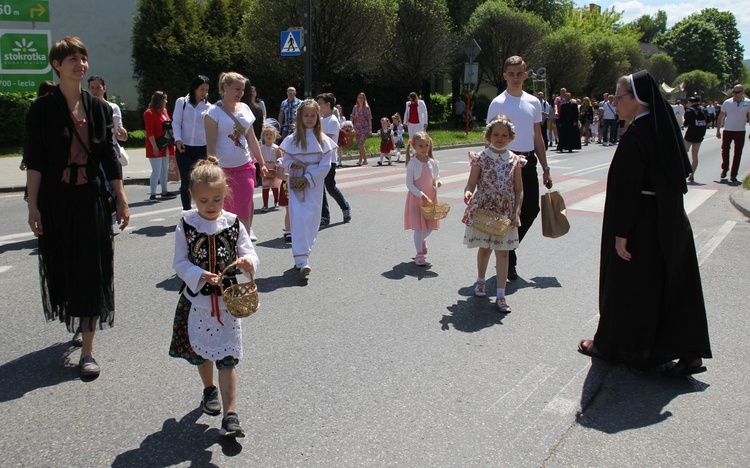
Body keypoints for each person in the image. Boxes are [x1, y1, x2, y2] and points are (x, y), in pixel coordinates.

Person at [577, 71, 712, 377]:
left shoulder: (637, 135)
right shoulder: (661, 129)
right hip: (669, 220)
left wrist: (622, 233)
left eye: (619, 97)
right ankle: (689, 354)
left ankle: (611, 345)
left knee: (626, 287)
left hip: (640, 224)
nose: (614, 103)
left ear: (636, 101)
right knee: (671, 284)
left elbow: (628, 191)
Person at [24, 36, 130, 377]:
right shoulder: (41, 109)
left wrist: (121, 198)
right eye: (72, 58)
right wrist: (33, 206)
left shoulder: (99, 108)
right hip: (56, 200)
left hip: (91, 200)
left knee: (93, 269)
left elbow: (110, 158)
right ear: (57, 65)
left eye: (83, 58)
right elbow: (36, 161)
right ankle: (79, 315)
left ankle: (88, 351)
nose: (80, 64)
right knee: (65, 267)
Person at [171, 156, 258, 438]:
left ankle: (231, 415)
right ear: (193, 197)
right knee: (202, 351)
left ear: (225, 196)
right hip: (198, 300)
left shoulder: (233, 224)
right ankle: (209, 389)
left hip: (227, 302)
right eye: (204, 200)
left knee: (228, 357)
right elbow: (179, 263)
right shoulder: (186, 224)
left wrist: (247, 263)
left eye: (217, 200)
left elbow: (249, 252)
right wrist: (199, 274)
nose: (211, 206)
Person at [486, 55, 552, 280]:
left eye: (519, 73)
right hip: (504, 162)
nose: (515, 78)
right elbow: (489, 136)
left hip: (528, 162)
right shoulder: (497, 102)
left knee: (531, 208)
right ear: (504, 75)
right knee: (507, 212)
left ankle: (508, 247)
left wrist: (546, 167)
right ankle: (508, 261)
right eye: (510, 74)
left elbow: (537, 136)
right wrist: (487, 166)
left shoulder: (533, 102)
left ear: (526, 75)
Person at [462, 116, 524, 313]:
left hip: (505, 210)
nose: (500, 138)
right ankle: (481, 281)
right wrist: (468, 191)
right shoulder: (480, 157)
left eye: (504, 135)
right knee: (485, 248)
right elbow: (472, 182)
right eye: (496, 134)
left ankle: (500, 295)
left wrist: (517, 210)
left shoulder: (515, 160)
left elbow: (518, 189)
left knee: (504, 252)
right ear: (489, 135)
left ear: (511, 137)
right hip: (484, 208)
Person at [205, 72, 267, 238]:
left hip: (245, 165)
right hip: (223, 169)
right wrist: (212, 170)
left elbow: (252, 139)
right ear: (225, 87)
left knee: (245, 206)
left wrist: (262, 163)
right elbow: (210, 145)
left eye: (242, 89)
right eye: (237, 89)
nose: (241, 93)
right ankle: (227, 242)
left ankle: (245, 242)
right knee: (225, 209)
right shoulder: (213, 112)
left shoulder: (245, 109)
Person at [280, 99, 336, 276]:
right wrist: (293, 168)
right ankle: (301, 259)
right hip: (297, 186)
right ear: (300, 117)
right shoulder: (293, 139)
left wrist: (308, 177)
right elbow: (286, 161)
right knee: (299, 219)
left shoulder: (323, 140)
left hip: (313, 186)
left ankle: (305, 253)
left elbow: (326, 165)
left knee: (312, 218)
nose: (310, 118)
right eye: (306, 115)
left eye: (313, 115)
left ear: (318, 117)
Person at [173, 75, 211, 210]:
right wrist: (178, 139)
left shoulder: (208, 107)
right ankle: (187, 211)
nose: (204, 93)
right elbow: (176, 122)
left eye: (206, 90)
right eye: (202, 89)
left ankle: (202, 209)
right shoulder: (182, 102)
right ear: (195, 88)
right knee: (186, 181)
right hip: (184, 148)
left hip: (202, 148)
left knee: (201, 181)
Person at [404, 132, 440, 267]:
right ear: (414, 146)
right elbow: (409, 184)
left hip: (431, 199)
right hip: (417, 200)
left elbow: (436, 177)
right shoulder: (413, 163)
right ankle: (419, 254)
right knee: (419, 228)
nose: (424, 148)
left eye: (426, 145)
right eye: (421, 146)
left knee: (430, 226)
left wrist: (437, 182)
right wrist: (421, 195)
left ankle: (421, 241)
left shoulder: (432, 163)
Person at [317, 93, 352, 226]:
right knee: (320, 188)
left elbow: (327, 140)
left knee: (330, 187)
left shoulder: (332, 120)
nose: (318, 106)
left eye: (320, 103)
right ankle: (325, 216)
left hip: (329, 159)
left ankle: (345, 207)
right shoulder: (319, 119)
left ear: (327, 105)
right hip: (318, 158)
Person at [144, 90, 177, 200]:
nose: (166, 101)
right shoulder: (149, 113)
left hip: (165, 143)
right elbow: (150, 132)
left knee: (164, 169)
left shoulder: (164, 111)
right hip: (156, 144)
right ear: (159, 100)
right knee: (156, 170)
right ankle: (153, 193)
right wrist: (154, 147)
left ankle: (164, 191)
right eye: (165, 99)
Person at [715, 84, 750, 182]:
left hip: (740, 131)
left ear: (742, 92)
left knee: (738, 153)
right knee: (725, 150)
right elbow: (721, 116)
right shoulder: (727, 102)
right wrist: (718, 130)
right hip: (728, 130)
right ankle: (725, 168)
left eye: (737, 92)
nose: (735, 94)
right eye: (734, 92)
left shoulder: (748, 103)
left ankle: (734, 174)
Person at [683, 96, 708, 183]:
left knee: (683, 153)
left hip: (690, 135)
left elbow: (685, 124)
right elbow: (710, 122)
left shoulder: (689, 111)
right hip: (699, 135)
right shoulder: (704, 110)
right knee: (695, 155)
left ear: (691, 102)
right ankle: (692, 175)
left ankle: (683, 172)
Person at [259, 124, 282, 212]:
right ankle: (265, 205)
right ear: (264, 136)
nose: (269, 136)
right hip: (265, 169)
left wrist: (277, 166)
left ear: (275, 136)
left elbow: (280, 158)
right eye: (267, 134)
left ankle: (276, 202)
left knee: (275, 186)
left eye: (271, 134)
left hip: (274, 169)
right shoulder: (261, 148)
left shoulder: (276, 148)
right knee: (265, 186)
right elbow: (259, 158)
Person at [351, 92, 372, 165]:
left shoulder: (366, 108)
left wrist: (370, 128)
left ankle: (360, 159)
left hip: (364, 127)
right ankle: (365, 159)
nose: (360, 99)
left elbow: (369, 118)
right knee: (360, 144)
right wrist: (350, 125)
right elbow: (352, 117)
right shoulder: (355, 107)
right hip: (357, 127)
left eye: (362, 98)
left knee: (361, 142)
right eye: (359, 97)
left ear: (364, 99)